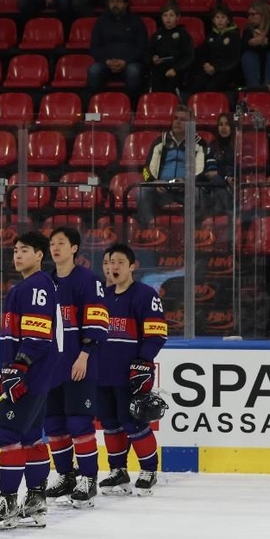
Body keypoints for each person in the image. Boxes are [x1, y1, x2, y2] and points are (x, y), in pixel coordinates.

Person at [0, 231, 61, 530]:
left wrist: (18, 366)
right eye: (15, 250)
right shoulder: (27, 286)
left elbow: (39, 336)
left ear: (40, 255)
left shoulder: (37, 285)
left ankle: (9, 503)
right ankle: (36, 500)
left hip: (29, 374)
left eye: (24, 250)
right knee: (30, 437)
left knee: (7, 433)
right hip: (35, 375)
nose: (17, 255)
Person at [43, 227, 108, 508]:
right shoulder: (44, 283)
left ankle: (88, 477)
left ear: (74, 248)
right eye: (52, 244)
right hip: (51, 368)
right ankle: (65, 475)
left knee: (79, 422)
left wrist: (84, 354)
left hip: (78, 364)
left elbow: (96, 321)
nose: (55, 248)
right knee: (54, 423)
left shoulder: (88, 281)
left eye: (61, 243)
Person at [96, 243, 167, 495]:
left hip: (130, 374)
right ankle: (118, 470)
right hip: (101, 372)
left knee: (133, 422)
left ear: (132, 266)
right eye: (108, 262)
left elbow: (157, 334)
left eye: (118, 262)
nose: (112, 267)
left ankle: (148, 469)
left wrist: (144, 361)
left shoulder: (145, 294)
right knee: (110, 423)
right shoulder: (100, 296)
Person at [138, 105, 210, 226]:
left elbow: (201, 171)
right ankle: (148, 229)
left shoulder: (199, 144)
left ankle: (195, 231)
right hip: (162, 189)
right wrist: (154, 182)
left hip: (187, 189)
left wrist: (187, 182)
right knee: (143, 191)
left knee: (199, 193)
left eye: (183, 120)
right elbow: (146, 169)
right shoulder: (160, 141)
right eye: (176, 118)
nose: (178, 122)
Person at [86, 0, 146, 95]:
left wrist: (125, 61)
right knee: (93, 71)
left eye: (118, 1)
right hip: (106, 63)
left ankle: (132, 109)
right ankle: (93, 110)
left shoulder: (137, 22)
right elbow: (94, 47)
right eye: (112, 2)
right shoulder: (101, 22)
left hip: (130, 63)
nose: (115, 5)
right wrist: (107, 61)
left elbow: (142, 48)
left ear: (126, 3)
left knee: (133, 72)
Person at [187, 5, 241, 93]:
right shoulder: (210, 36)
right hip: (210, 68)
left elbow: (234, 59)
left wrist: (217, 68)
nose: (220, 20)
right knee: (197, 84)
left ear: (228, 20)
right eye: (217, 17)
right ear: (213, 20)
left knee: (211, 87)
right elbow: (203, 53)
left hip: (226, 70)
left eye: (223, 17)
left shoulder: (234, 36)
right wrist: (205, 64)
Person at [147, 3, 194, 95]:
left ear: (178, 17)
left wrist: (176, 69)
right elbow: (148, 53)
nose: (168, 18)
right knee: (156, 83)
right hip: (159, 68)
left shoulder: (183, 34)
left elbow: (189, 56)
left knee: (171, 86)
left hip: (177, 68)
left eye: (171, 15)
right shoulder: (157, 35)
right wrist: (153, 59)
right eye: (165, 15)